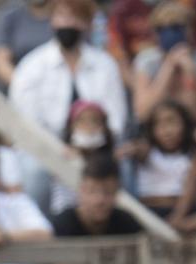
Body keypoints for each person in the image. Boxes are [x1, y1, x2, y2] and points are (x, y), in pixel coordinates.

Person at [8, 0, 127, 211]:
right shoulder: (31, 66)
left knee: (123, 167)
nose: (67, 23)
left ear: (86, 24)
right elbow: (27, 122)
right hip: (46, 151)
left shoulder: (105, 65)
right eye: (62, 16)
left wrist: (92, 146)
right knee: (34, 171)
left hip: (98, 148)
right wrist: (60, 150)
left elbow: (116, 118)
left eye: (75, 18)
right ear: (52, 21)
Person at [125, 99, 196, 233]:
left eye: (172, 122)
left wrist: (178, 217)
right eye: (159, 125)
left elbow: (190, 188)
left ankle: (181, 227)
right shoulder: (147, 151)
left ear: (184, 124)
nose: (167, 130)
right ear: (151, 129)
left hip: (181, 209)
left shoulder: (194, 157)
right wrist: (132, 149)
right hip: (149, 211)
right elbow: (126, 152)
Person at [121, 0, 196, 123]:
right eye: (161, 28)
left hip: (190, 131)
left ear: (190, 29)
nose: (169, 33)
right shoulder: (146, 60)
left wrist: (189, 72)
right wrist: (168, 66)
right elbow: (143, 113)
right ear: (154, 34)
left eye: (176, 27)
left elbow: (195, 115)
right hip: (153, 130)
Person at [51, 150, 143, 236]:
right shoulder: (61, 226)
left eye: (108, 192)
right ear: (81, 190)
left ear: (116, 193)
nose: (99, 200)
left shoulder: (126, 224)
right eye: (92, 191)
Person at [0, 0, 53, 87]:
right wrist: (23, 85)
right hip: (20, 88)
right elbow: (0, 61)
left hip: (58, 86)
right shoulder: (10, 13)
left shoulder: (65, 13)